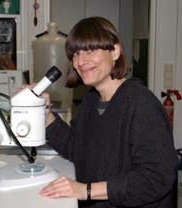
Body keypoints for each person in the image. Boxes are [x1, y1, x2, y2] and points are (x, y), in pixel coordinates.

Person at [39, 16, 178, 208]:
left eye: (90, 50)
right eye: (76, 53)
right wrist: (45, 115)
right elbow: (77, 148)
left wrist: (86, 190)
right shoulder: (91, 101)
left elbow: (156, 178)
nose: (80, 61)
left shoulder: (140, 104)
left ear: (115, 51)